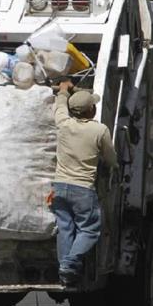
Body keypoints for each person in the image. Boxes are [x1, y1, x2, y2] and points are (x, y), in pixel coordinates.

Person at [51, 80, 118, 286]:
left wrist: (63, 90)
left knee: (65, 228)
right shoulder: (100, 131)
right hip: (83, 188)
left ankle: (65, 269)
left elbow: (60, 106)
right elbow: (111, 160)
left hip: (59, 187)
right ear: (92, 110)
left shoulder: (63, 123)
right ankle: (70, 262)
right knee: (89, 229)